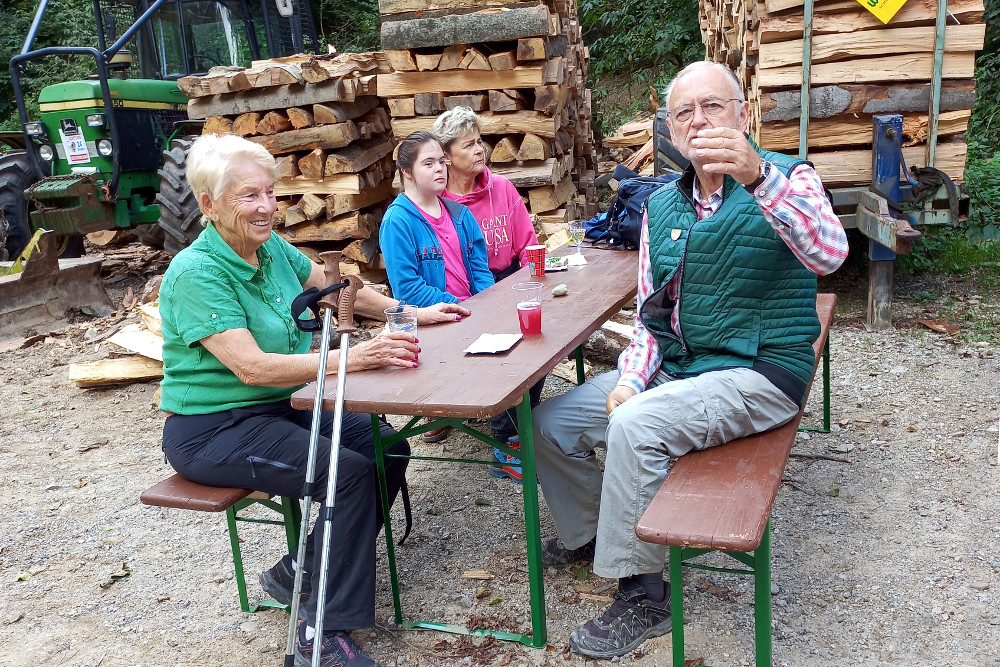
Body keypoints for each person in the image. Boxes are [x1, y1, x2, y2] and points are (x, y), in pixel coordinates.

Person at [531, 61, 849, 660]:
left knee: (636, 425)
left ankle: (644, 593)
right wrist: (630, 378)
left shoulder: (789, 177)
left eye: (714, 106)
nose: (700, 121)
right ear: (671, 132)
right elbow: (656, 316)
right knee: (551, 424)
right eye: (685, 112)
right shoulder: (662, 208)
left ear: (742, 113)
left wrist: (759, 179)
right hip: (684, 370)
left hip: (761, 373)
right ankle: (591, 532)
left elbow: (831, 257)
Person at [158, 133, 470, 667]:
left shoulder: (268, 248)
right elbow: (252, 368)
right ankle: (319, 634)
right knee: (344, 474)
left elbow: (336, 289)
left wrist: (409, 312)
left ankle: (297, 571)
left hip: (286, 407)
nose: (266, 208)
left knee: (387, 447)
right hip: (214, 428)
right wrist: (357, 357)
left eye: (270, 193)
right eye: (248, 196)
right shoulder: (197, 272)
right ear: (207, 205)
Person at [432, 107, 546, 483]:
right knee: (504, 352)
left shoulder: (501, 188)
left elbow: (526, 244)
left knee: (539, 339)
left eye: (480, 141)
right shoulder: (437, 202)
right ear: (446, 156)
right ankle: (505, 440)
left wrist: (536, 281)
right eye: (469, 145)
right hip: (463, 292)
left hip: (508, 277)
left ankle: (524, 427)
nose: (480, 150)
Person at [379, 131, 494, 445]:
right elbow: (408, 290)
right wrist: (461, 307)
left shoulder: (460, 213)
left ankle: (509, 428)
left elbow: (481, 271)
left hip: (474, 313)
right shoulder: (398, 222)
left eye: (442, 162)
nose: (440, 170)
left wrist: (487, 304)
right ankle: (502, 438)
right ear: (407, 172)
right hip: (432, 324)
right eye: (428, 164)